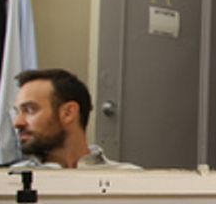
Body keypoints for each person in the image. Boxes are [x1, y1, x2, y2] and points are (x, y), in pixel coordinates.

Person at [11, 68, 139, 169]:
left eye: (29, 110)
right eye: (17, 112)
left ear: (68, 113)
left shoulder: (129, 179)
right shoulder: (10, 181)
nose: (17, 123)